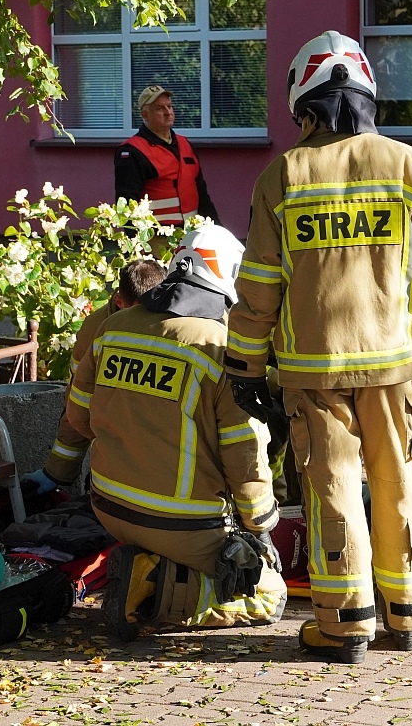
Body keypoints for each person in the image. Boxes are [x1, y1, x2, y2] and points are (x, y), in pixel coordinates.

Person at [227, 31, 412, 663]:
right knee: (399, 481)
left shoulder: (283, 175)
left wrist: (245, 366)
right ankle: (409, 614)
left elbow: (258, 286)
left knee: (332, 486)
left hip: (315, 368)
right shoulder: (411, 167)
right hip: (396, 364)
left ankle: (343, 624)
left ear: (305, 104)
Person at [65, 225, 286, 639]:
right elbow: (245, 455)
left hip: (109, 507)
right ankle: (146, 588)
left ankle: (151, 564)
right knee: (269, 595)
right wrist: (261, 527)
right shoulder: (221, 348)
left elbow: (79, 418)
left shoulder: (113, 327)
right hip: (182, 524)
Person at [27, 258, 167, 492]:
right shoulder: (95, 331)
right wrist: (56, 473)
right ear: (120, 302)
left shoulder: (172, 311)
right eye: (139, 312)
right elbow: (78, 404)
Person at [115, 86, 219, 226]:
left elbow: (202, 194)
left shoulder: (185, 144)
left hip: (192, 236)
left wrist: (217, 229)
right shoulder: (133, 151)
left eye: (169, 106)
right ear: (145, 115)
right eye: (159, 108)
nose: (168, 112)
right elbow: (126, 206)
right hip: (156, 240)